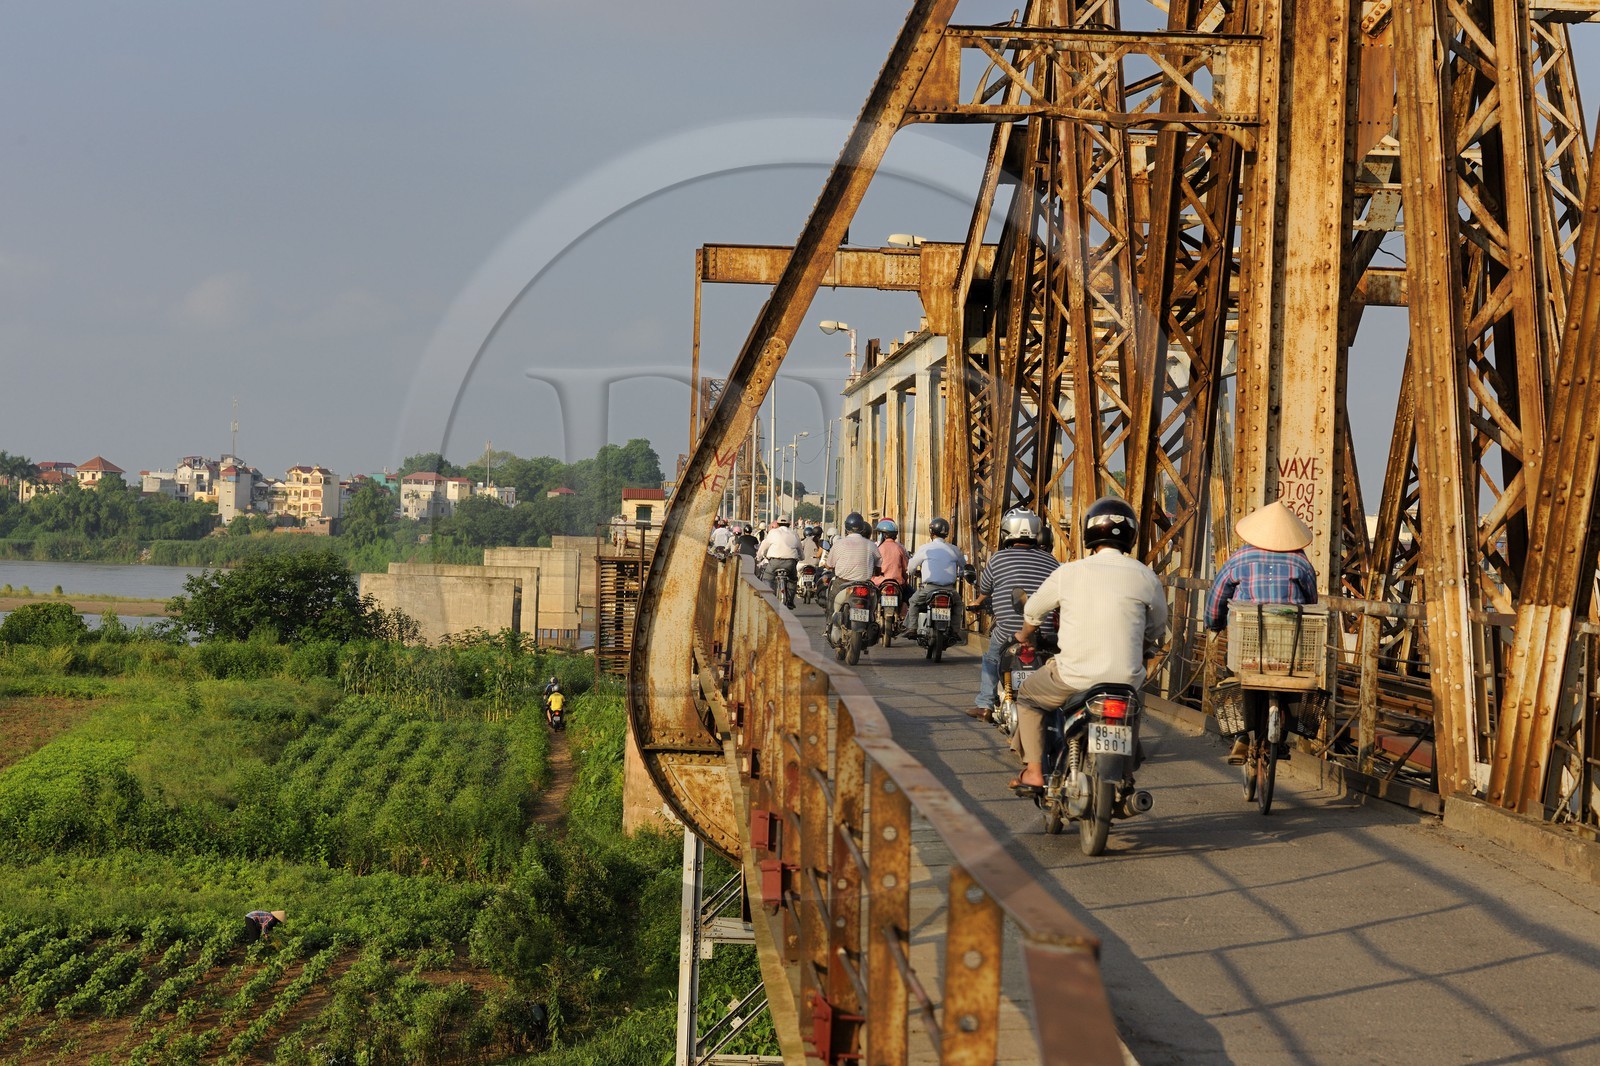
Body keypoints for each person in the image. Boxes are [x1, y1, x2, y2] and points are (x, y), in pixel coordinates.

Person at [1010, 498, 1168, 792]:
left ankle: (1033, 771)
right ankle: (1126, 769)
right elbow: (1157, 627)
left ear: (1089, 535)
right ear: (1131, 537)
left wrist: (1024, 634)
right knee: (1132, 702)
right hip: (1124, 680)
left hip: (1073, 676)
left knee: (1028, 698)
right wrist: (1142, 644)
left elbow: (1032, 610)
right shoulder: (1146, 576)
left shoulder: (1069, 573)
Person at [1205, 500, 1319, 762]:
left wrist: (1214, 623)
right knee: (1296, 677)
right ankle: (1286, 733)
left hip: (1249, 641)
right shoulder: (1300, 562)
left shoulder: (1240, 558)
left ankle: (1243, 734)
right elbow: (1311, 601)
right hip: (1290, 647)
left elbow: (1217, 597)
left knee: (1236, 670)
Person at [967, 509, 1062, 722]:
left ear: (1006, 532)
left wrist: (978, 601)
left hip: (1010, 632)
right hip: (1043, 632)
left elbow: (985, 588)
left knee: (991, 657)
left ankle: (984, 704)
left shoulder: (999, 559)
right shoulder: (1051, 562)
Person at [906, 517, 967, 639]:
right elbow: (964, 567)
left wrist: (912, 572)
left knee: (913, 601)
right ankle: (955, 631)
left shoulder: (925, 548)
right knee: (958, 605)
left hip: (930, 589)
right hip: (949, 589)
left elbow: (911, 566)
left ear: (931, 532)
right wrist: (959, 574)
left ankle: (912, 628)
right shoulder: (954, 549)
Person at [826, 511, 880, 643]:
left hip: (842, 583)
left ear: (846, 528)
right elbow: (878, 567)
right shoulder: (871, 545)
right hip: (865, 585)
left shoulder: (839, 544)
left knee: (832, 603)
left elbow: (829, 565)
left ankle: (829, 626)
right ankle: (871, 622)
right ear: (862, 527)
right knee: (874, 607)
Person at [755, 517, 803, 606]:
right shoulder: (794, 534)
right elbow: (799, 549)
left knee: (767, 578)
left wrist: (759, 557)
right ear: (789, 524)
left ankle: (769, 599)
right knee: (793, 580)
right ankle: (790, 601)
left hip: (774, 562)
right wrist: (801, 558)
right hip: (790, 563)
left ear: (777, 524)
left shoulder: (773, 533)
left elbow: (764, 546)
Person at [873, 519, 910, 585]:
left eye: (879, 533)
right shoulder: (900, 547)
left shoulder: (877, 548)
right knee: (911, 594)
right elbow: (905, 568)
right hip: (897, 584)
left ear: (883, 535)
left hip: (879, 584)